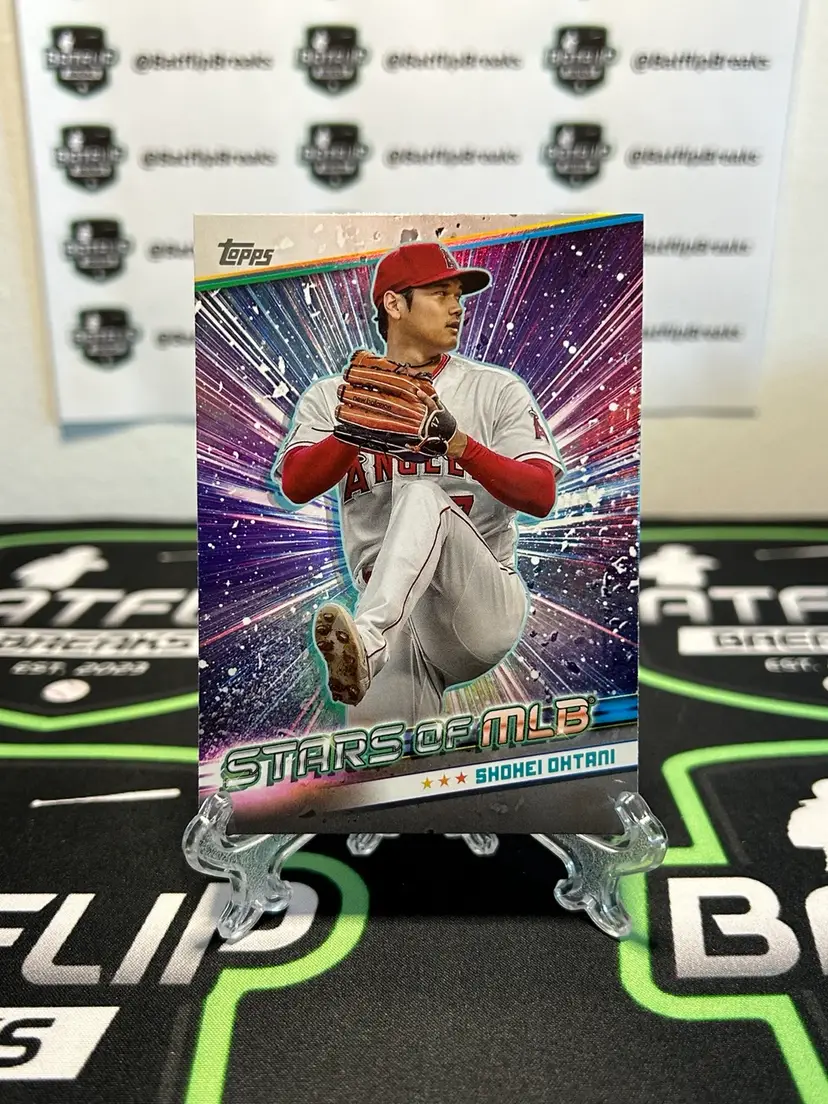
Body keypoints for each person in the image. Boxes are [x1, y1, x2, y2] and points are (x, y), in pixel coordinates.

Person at [273, 240, 565, 726]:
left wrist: (462, 446)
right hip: (396, 618)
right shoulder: (334, 397)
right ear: (394, 304)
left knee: (423, 493)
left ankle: (369, 640)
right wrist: (352, 430)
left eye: (458, 295)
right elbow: (296, 484)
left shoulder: (493, 389)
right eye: (440, 293)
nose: (457, 307)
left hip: (477, 603)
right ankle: (369, 649)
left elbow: (540, 494)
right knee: (375, 757)